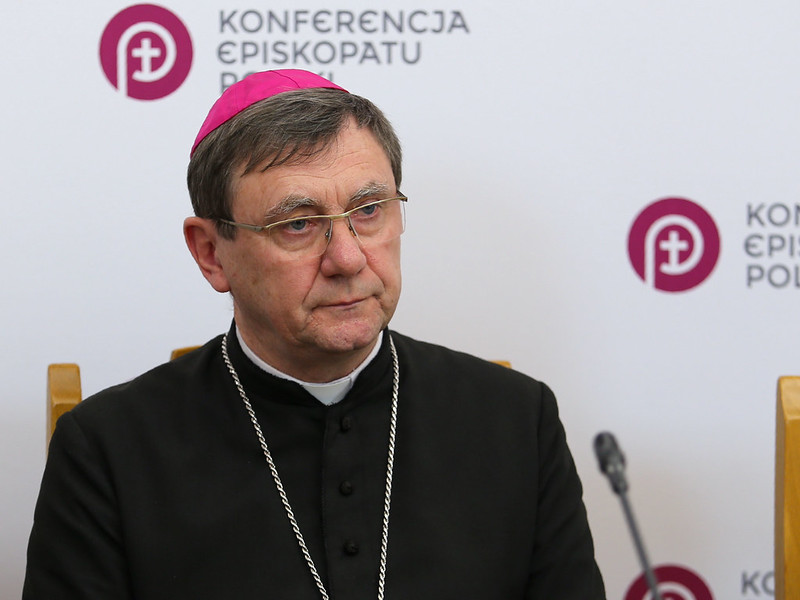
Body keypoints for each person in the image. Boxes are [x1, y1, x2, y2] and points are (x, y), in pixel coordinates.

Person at [24, 69, 605, 599]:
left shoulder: (516, 422)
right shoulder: (107, 452)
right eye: (298, 223)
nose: (348, 258)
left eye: (369, 210)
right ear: (211, 253)